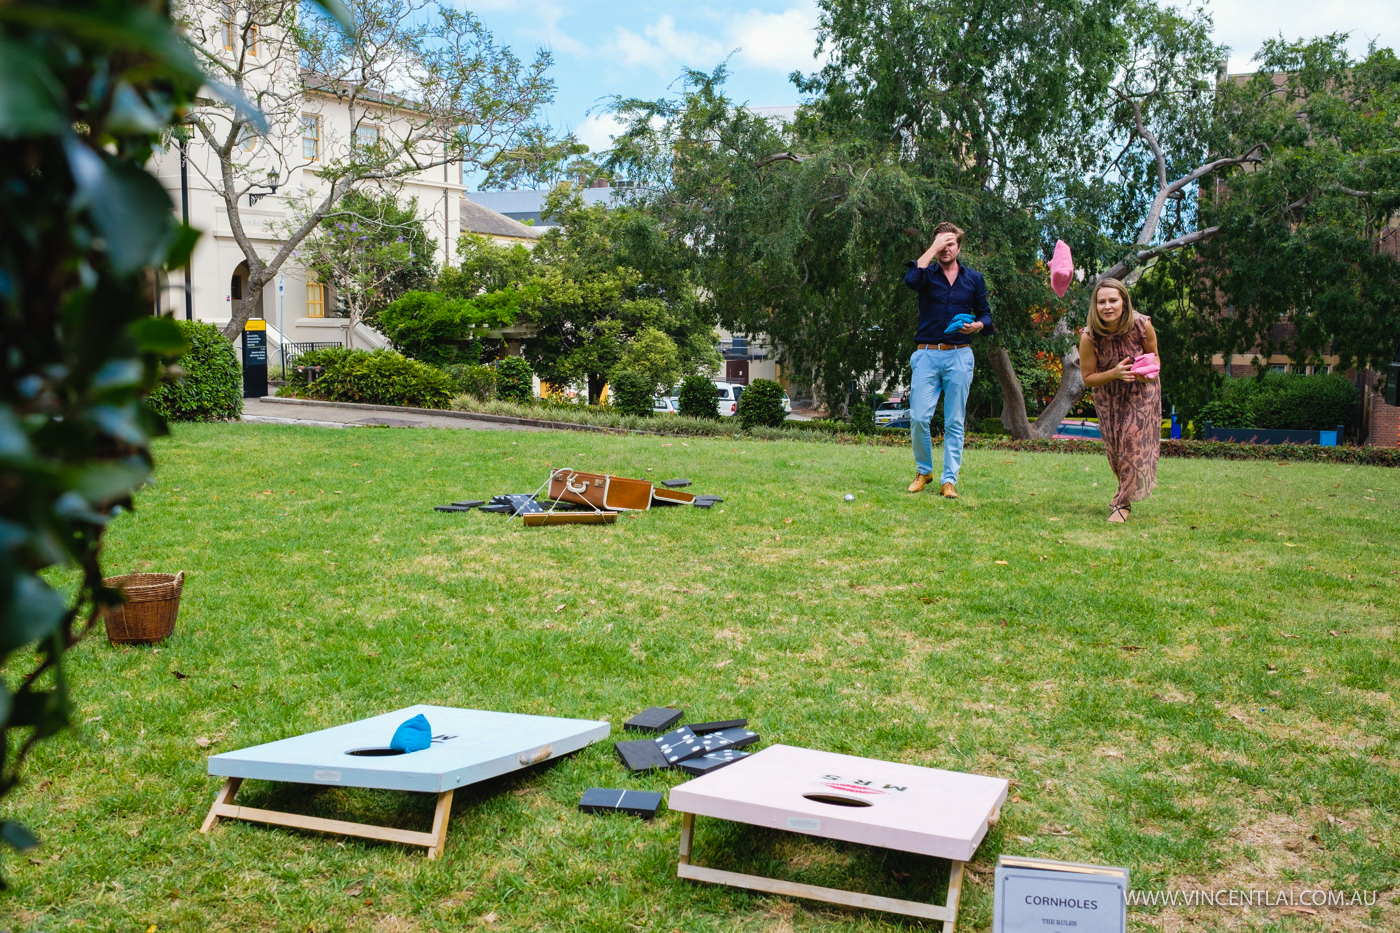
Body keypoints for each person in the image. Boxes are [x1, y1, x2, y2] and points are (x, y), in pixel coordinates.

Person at [903, 222, 994, 498]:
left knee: (955, 421)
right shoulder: (926, 275)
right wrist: (933, 247)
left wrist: (976, 326)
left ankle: (949, 480)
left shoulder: (973, 279)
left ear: (959, 247)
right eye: (942, 243)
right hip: (927, 354)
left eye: (951, 243)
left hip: (959, 355)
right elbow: (910, 279)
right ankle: (924, 471)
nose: (946, 248)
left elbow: (986, 316)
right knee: (919, 418)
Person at [1078, 278, 1161, 522]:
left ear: (1124, 302)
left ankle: (1123, 504)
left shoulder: (1141, 325)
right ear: (1095, 306)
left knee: (1131, 440)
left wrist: (1148, 377)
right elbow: (1088, 378)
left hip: (1141, 391)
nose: (1107, 306)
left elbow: (1155, 358)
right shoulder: (1089, 336)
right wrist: (1114, 373)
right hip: (1108, 396)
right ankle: (1123, 490)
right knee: (1116, 452)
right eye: (1101, 301)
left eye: (1113, 300)